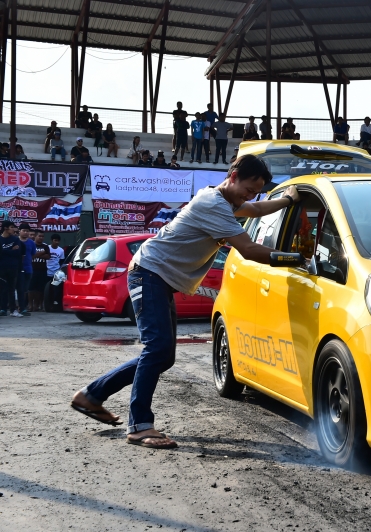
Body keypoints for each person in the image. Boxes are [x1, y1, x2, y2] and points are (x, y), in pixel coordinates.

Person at [71, 155, 300, 449]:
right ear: (233, 175)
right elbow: (249, 249)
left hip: (159, 278)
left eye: (255, 191)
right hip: (149, 273)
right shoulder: (215, 205)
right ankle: (139, 425)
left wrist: (287, 201)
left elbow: (255, 209)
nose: (250, 196)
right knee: (157, 350)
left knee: (163, 356)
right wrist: (296, 259)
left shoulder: (224, 201)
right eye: (248, 188)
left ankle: (91, 396)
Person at [0, 221, 22, 317]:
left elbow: (17, 253)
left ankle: (13, 310)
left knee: (11, 289)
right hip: (1, 268)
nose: (14, 229)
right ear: (5, 228)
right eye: (12, 227)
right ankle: (3, 309)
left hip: (13, 267)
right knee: (2, 289)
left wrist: (4, 251)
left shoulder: (15, 239)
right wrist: (10, 250)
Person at [14, 223, 35, 317]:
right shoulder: (15, 240)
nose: (26, 233)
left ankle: (22, 307)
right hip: (16, 268)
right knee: (15, 288)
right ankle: (13, 307)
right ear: (19, 231)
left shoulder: (31, 242)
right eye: (24, 231)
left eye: (27, 231)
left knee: (25, 289)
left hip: (28, 268)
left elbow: (33, 254)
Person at [28, 230, 50, 312]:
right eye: (39, 236)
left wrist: (38, 254)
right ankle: (30, 305)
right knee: (31, 288)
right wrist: (43, 253)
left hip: (42, 270)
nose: (41, 238)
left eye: (42, 236)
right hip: (32, 269)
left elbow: (48, 257)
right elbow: (31, 256)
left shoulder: (45, 246)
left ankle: (36, 305)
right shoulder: (31, 245)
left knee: (39, 289)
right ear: (35, 236)